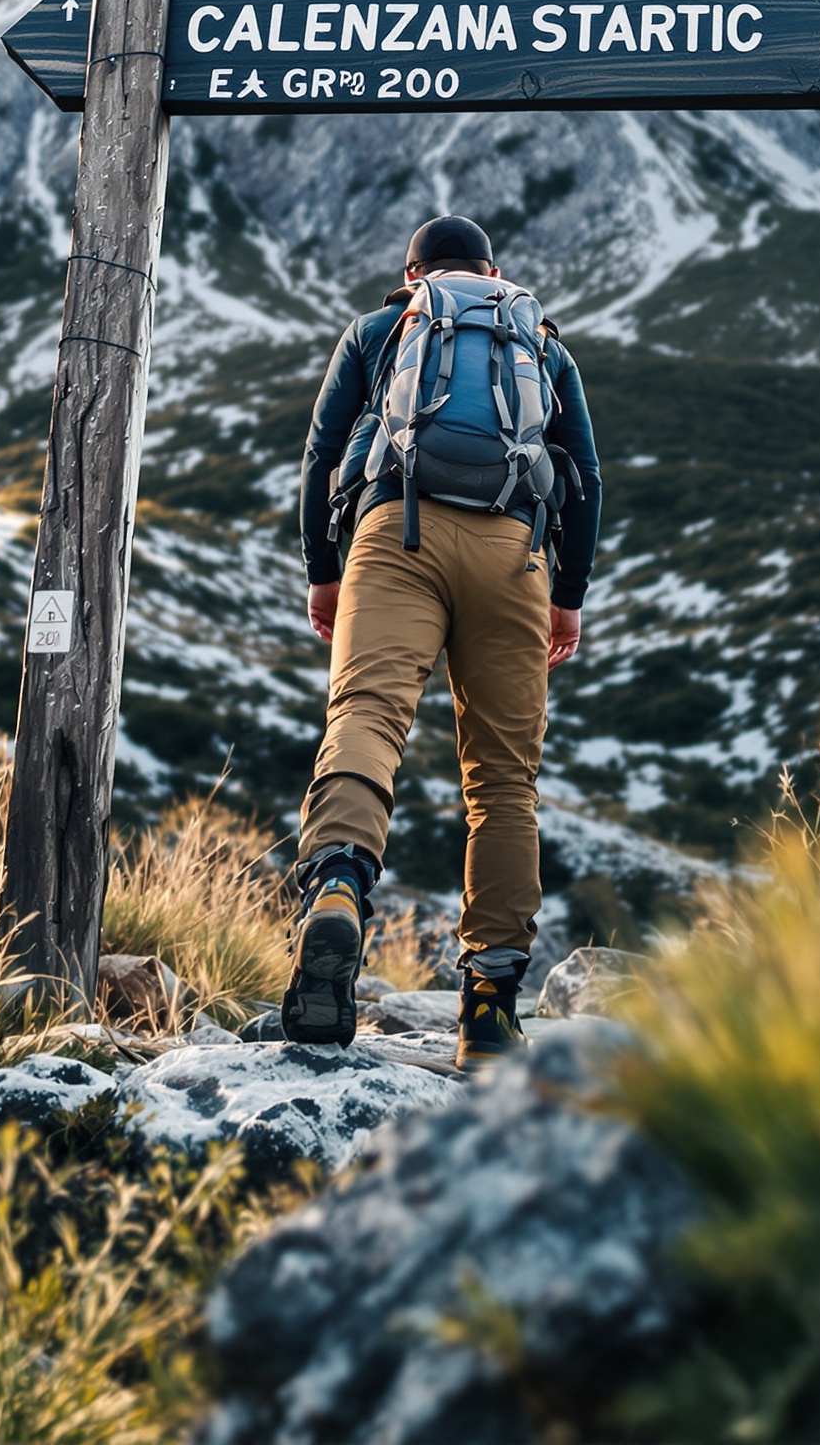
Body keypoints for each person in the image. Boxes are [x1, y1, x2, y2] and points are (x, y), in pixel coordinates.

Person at [285, 213, 602, 1070]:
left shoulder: (381, 327)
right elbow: (587, 475)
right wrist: (565, 597)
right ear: (493, 272)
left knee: (368, 718)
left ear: (412, 272)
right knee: (504, 782)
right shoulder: (540, 341)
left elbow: (320, 456)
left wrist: (325, 568)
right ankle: (491, 1009)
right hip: (515, 553)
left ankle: (341, 887)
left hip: (396, 535)